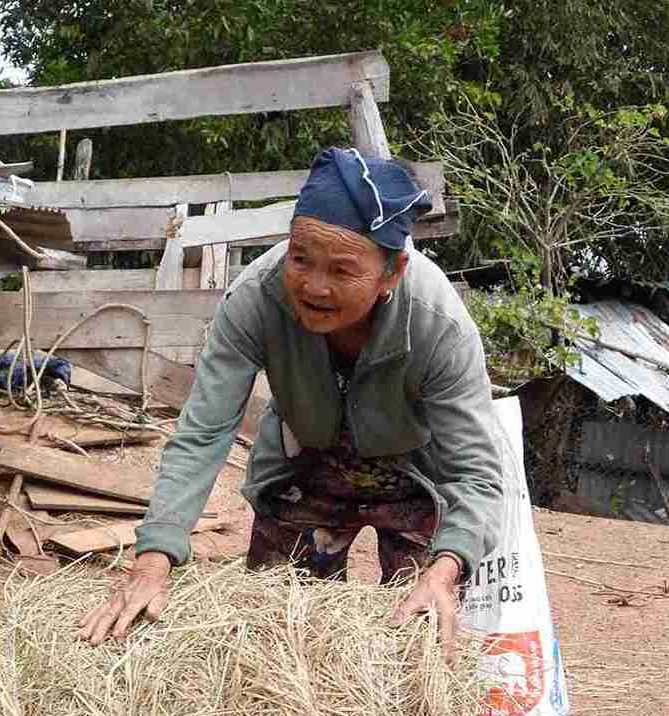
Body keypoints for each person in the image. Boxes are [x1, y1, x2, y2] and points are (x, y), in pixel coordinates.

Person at [79, 147, 505, 661]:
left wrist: (448, 566)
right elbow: (204, 432)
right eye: (300, 258)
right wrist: (154, 555)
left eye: (343, 270)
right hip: (306, 461)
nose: (315, 286)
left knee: (417, 643)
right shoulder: (255, 299)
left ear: (391, 273)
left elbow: (476, 474)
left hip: (415, 471)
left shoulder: (439, 326)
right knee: (275, 645)